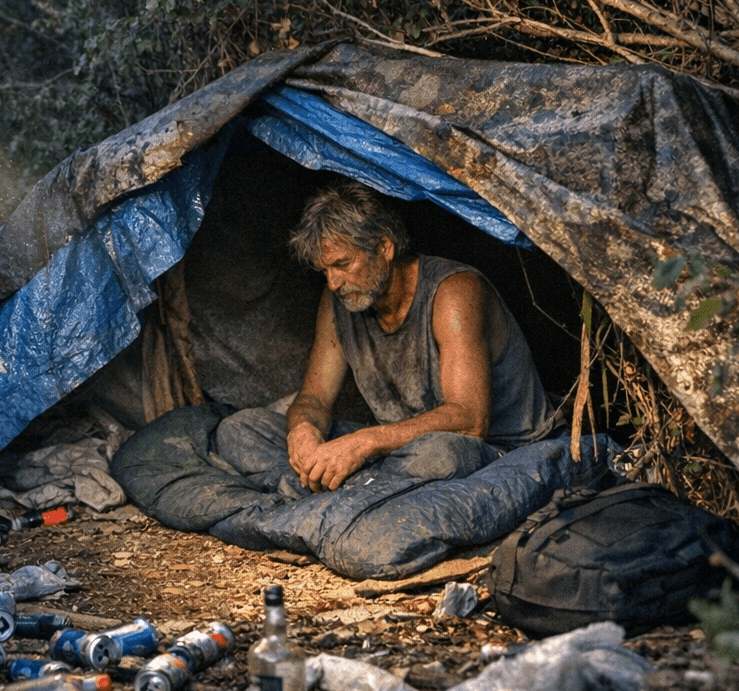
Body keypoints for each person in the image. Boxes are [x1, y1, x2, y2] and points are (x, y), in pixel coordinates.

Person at [215, 181, 555, 495]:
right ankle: (362, 491)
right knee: (240, 430)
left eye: (342, 264)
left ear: (384, 247)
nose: (333, 282)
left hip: (493, 452)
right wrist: (303, 431)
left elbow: (469, 420)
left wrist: (364, 443)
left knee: (440, 456)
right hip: (394, 452)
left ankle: (342, 492)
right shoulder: (337, 301)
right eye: (325, 270)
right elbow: (314, 398)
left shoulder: (453, 291)